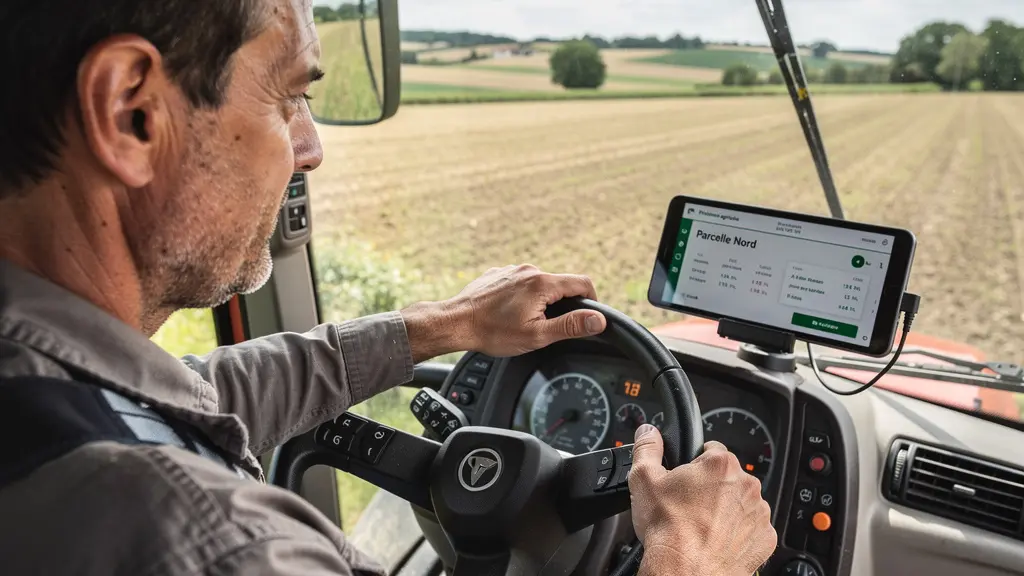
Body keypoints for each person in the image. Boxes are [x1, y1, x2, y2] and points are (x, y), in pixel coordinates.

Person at [0, 0, 777, 574]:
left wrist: (437, 327)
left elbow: (195, 397)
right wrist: (692, 558)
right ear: (130, 112)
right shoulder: (219, 542)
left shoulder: (47, 382)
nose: (309, 149)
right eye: (288, 96)